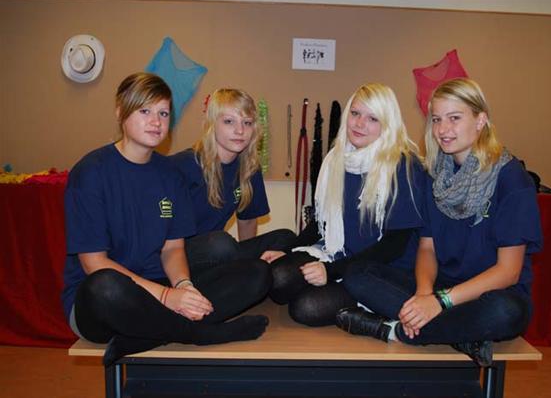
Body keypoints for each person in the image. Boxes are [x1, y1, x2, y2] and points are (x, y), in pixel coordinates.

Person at [61, 73, 269, 366]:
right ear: (120, 113)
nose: (156, 122)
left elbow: (173, 248)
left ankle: (146, 337)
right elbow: (94, 263)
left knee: (257, 273)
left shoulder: (170, 173)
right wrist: (166, 297)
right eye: (144, 111)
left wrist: (183, 285)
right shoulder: (91, 172)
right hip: (104, 301)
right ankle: (200, 334)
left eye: (163, 113)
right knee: (105, 285)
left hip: (158, 285)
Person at [336, 78, 542, 367]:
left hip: (489, 294)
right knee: (358, 273)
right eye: (436, 120)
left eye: (454, 118)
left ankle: (394, 332)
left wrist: (440, 302)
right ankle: (461, 336)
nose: (443, 130)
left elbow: (508, 272)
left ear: (480, 120)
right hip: (440, 287)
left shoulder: (511, 179)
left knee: (506, 312)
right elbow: (427, 248)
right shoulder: (435, 174)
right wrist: (424, 295)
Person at [262, 83, 426, 327]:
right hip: (337, 253)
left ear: (387, 124)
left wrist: (331, 272)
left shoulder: (403, 165)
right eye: (355, 113)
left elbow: (394, 247)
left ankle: (377, 311)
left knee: (306, 308)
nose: (359, 124)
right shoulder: (335, 159)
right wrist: (288, 250)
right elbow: (321, 223)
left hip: (379, 269)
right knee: (277, 279)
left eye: (372, 118)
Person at [169, 88, 295, 269]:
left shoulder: (250, 168)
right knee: (221, 243)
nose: (240, 130)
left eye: (247, 123)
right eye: (229, 121)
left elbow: (248, 220)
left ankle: (243, 273)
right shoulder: (181, 166)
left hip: (218, 250)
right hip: (179, 255)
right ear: (212, 124)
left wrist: (247, 264)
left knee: (286, 238)